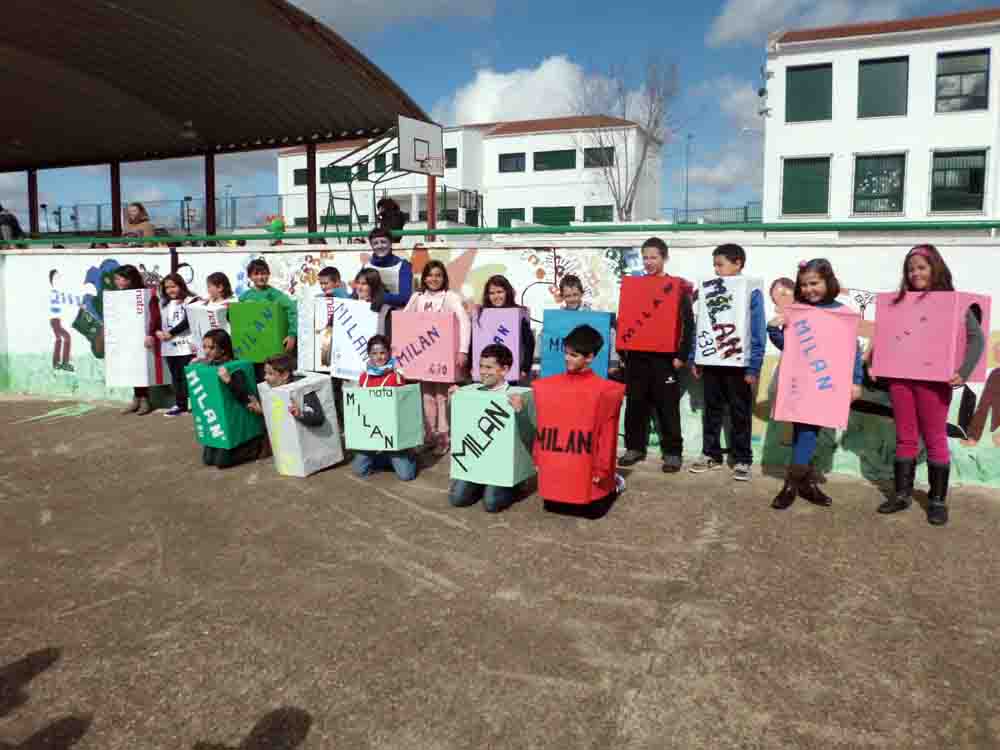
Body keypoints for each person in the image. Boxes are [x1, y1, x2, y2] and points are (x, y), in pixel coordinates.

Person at [874, 245, 985, 525]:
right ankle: (902, 495)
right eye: (910, 269)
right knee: (905, 437)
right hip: (901, 380)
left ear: (935, 269)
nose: (915, 273)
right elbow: (887, 334)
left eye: (921, 267)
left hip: (934, 384)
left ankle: (937, 500)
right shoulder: (899, 302)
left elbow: (977, 339)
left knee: (935, 437)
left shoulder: (952, 303)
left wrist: (964, 371)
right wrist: (877, 361)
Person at [768, 258, 864, 510]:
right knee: (805, 431)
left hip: (826, 384)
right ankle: (800, 484)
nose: (809, 289)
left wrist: (856, 381)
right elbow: (788, 346)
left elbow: (853, 350)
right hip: (801, 382)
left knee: (808, 431)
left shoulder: (843, 314)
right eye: (804, 285)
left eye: (814, 283)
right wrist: (774, 329)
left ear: (828, 282)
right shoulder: (798, 311)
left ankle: (795, 484)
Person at [689, 244, 766, 481]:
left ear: (738, 263)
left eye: (720, 264)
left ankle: (742, 459)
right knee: (712, 410)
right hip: (712, 361)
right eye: (714, 265)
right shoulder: (709, 289)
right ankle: (711, 454)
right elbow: (701, 323)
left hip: (739, 364)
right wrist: (695, 357)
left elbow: (757, 329)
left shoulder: (751, 290)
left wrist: (754, 366)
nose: (716, 269)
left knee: (740, 412)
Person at [618, 237, 694, 473]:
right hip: (637, 357)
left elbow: (688, 323)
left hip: (664, 358)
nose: (649, 262)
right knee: (635, 404)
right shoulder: (634, 286)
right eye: (645, 258)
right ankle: (634, 447)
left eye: (653, 257)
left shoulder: (677, 287)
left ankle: (672, 453)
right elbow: (625, 319)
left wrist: (681, 355)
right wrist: (623, 350)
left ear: (664, 258)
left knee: (667, 407)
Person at [532, 325, 625, 507]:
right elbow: (543, 428)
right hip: (560, 472)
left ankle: (613, 482)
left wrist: (602, 470)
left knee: (590, 510)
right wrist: (538, 458)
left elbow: (607, 437)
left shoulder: (606, 392)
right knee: (553, 505)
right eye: (566, 353)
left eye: (574, 355)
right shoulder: (546, 387)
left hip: (589, 474)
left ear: (589, 357)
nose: (567, 358)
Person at [403, 260, 472, 456]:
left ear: (444, 278)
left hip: (444, 355)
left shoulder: (450, 297)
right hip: (422, 354)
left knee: (442, 397)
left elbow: (464, 322)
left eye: (438, 275)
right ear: (424, 278)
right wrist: (402, 351)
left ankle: (444, 438)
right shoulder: (417, 297)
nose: (434, 279)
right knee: (426, 396)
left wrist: (463, 350)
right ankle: (429, 435)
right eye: (430, 275)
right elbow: (404, 320)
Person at [448, 343, 523, 513]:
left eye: (489, 367)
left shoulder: (515, 395)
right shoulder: (471, 392)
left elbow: (527, 434)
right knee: (457, 498)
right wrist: (453, 402)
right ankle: (482, 484)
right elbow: (457, 427)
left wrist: (520, 412)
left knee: (491, 504)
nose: (483, 371)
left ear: (504, 370)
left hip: (501, 464)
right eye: (481, 366)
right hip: (476, 459)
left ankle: (515, 485)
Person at [352, 335, 418, 480]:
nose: (379, 357)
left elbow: (404, 409)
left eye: (382, 353)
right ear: (369, 355)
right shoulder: (364, 377)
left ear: (389, 353)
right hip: (371, 431)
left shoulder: (396, 377)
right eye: (374, 353)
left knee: (406, 476)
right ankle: (388, 458)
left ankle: (409, 455)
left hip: (392, 433)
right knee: (359, 470)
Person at [204, 330, 270, 468]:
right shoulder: (210, 366)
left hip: (241, 424)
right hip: (222, 422)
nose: (206, 351)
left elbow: (247, 398)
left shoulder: (236, 367)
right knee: (208, 459)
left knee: (221, 462)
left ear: (223, 349)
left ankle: (257, 448)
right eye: (204, 347)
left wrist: (229, 381)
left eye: (211, 347)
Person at [114, 264, 160, 416]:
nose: (116, 282)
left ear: (129, 279)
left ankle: (145, 400)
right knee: (132, 367)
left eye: (119, 278)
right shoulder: (119, 296)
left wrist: (150, 333)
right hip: (128, 337)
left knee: (142, 368)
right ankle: (136, 399)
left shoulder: (146, 294)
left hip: (143, 337)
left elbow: (154, 315)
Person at [155, 273, 200, 416]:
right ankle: (180, 405)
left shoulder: (191, 300)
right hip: (169, 347)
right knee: (176, 377)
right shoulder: (163, 303)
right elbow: (156, 321)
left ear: (181, 285)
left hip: (186, 346)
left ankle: (196, 405)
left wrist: (171, 333)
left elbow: (188, 321)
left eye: (173, 286)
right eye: (167, 287)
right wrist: (157, 332)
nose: (170, 290)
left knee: (189, 376)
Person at [478, 274, 535, 382]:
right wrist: (471, 365)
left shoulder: (519, 313)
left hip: (509, 372)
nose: (496, 296)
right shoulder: (481, 314)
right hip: (485, 373)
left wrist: (525, 368)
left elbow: (529, 343)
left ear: (507, 292)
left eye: (499, 292)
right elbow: (475, 342)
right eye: (492, 293)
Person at [238, 258, 297, 353]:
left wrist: (292, 334)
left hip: (272, 343)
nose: (260, 277)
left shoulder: (276, 295)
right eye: (256, 274)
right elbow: (237, 319)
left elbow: (293, 310)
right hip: (251, 344)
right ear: (250, 276)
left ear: (269, 274)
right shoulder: (244, 297)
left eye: (264, 273)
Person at [261, 353, 327, 427]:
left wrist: (300, 414)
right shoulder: (275, 389)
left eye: (270, 373)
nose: (265, 377)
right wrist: (261, 410)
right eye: (265, 373)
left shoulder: (303, 389)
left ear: (284, 375)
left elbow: (319, 418)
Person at [363, 227, 413, 309]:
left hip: (395, 313)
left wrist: (377, 297)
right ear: (371, 246)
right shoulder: (366, 266)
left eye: (383, 242)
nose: (380, 246)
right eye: (375, 243)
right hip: (370, 312)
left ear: (390, 243)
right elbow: (357, 292)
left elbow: (405, 297)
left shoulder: (403, 266)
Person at [49, 270, 74, 372]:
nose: (58, 280)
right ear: (52, 280)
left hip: (56, 320)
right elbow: (64, 300)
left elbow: (68, 299)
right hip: (54, 320)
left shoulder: (58, 293)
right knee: (66, 337)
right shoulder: (54, 293)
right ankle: (63, 363)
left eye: (59, 277)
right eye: (56, 278)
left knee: (59, 339)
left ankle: (57, 363)